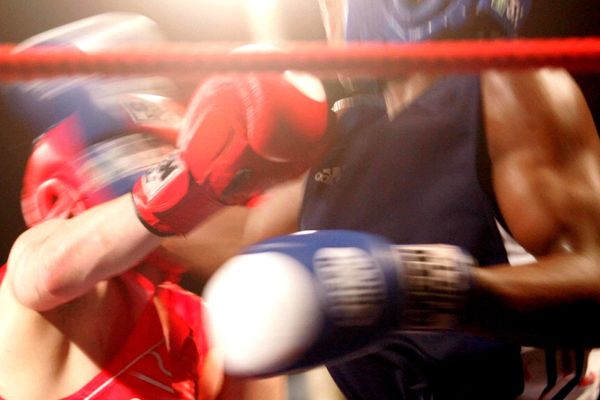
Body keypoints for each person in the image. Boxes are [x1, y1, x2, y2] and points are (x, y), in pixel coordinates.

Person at [199, 0, 600, 399]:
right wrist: (174, 189)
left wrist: (423, 288)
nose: (328, 14)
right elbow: (248, 241)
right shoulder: (349, 134)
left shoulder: (505, 84)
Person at [0, 13, 331, 399]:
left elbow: (250, 230)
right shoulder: (43, 296)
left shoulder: (210, 325)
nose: (204, 216)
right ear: (61, 205)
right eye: (138, 169)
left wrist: (335, 160)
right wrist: (189, 182)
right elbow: (46, 271)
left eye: (165, 158)